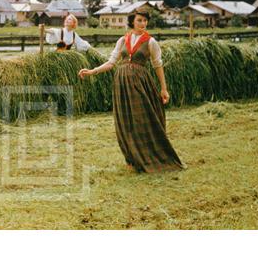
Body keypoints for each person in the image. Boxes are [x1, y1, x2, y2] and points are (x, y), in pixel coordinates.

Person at [78, 10, 185, 173]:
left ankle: (149, 156)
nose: (143, 24)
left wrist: (164, 89)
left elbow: (158, 65)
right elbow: (111, 62)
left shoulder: (151, 42)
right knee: (125, 121)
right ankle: (132, 159)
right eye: (140, 20)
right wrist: (93, 71)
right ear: (132, 22)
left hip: (139, 83)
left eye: (145, 21)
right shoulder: (122, 40)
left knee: (142, 118)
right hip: (121, 83)